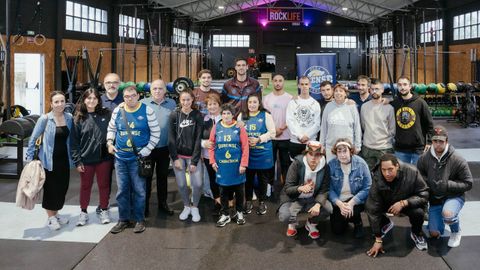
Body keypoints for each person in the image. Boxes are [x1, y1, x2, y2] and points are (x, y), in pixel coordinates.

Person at [106, 85, 160, 234]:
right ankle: (123, 219)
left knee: (139, 190)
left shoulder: (147, 110)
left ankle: (139, 219)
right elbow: (111, 129)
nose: (130, 99)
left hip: (137, 159)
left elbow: (156, 133)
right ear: (123, 98)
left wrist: (146, 150)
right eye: (127, 97)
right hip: (120, 158)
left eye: (133, 96)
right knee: (122, 190)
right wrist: (110, 143)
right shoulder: (118, 110)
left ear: (138, 96)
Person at [417, 125, 473, 248]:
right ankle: (441, 219)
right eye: (435, 141)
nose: (437, 144)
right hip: (435, 199)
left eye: (441, 141)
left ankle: (455, 231)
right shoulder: (424, 158)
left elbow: (468, 183)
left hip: (453, 196)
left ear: (446, 141)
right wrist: (430, 183)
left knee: (448, 214)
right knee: (434, 233)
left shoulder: (458, 159)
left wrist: (447, 184)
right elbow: (419, 177)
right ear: (432, 141)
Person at [26, 91, 74, 231]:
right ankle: (50, 218)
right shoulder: (45, 119)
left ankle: (56, 214)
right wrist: (30, 160)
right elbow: (33, 139)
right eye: (56, 102)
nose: (60, 104)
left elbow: (71, 139)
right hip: (48, 161)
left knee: (62, 188)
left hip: (64, 160)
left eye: (62, 101)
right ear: (51, 104)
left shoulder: (69, 117)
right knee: (51, 190)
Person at [366, 153, 429, 257]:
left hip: (406, 202)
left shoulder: (412, 172)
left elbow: (424, 194)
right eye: (384, 170)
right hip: (387, 202)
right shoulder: (377, 176)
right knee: (370, 206)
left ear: (397, 166)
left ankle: (416, 233)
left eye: (390, 169)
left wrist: (404, 203)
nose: (387, 173)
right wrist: (378, 239)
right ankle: (385, 223)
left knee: (418, 212)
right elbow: (373, 207)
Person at [71, 88, 113, 226]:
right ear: (84, 100)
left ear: (98, 100)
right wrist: (77, 161)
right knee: (85, 186)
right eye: (89, 98)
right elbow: (74, 142)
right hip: (86, 159)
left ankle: (104, 210)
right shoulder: (78, 117)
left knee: (104, 185)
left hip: (104, 158)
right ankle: (83, 213)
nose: (91, 101)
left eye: (95, 98)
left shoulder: (106, 114)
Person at [278, 141, 331, 239]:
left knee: (328, 209)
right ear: (305, 154)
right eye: (310, 154)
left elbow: (324, 189)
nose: (313, 158)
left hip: (312, 198)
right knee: (285, 215)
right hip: (295, 198)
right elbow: (288, 188)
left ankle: (311, 223)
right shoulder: (297, 164)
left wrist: (318, 204)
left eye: (317, 155)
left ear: (321, 156)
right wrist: (300, 188)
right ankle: (292, 223)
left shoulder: (325, 167)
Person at [209, 104, 249, 227]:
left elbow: (245, 147)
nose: (226, 116)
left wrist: (243, 164)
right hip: (222, 167)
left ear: (233, 115)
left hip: (237, 166)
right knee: (223, 191)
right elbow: (211, 145)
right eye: (224, 113)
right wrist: (212, 161)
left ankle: (239, 212)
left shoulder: (239, 127)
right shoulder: (216, 127)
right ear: (221, 115)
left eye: (228, 113)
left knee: (239, 190)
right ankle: (225, 214)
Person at [141, 79, 176, 217]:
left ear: (165, 91)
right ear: (150, 91)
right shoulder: (143, 103)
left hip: (164, 148)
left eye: (160, 88)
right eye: (154, 88)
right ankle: (144, 206)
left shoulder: (172, 104)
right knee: (146, 178)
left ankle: (163, 204)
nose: (157, 91)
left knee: (162, 178)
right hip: (148, 148)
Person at [168, 90, 204, 222]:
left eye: (188, 99)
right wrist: (175, 158)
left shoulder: (197, 115)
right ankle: (186, 206)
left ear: (192, 100)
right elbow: (171, 138)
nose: (186, 102)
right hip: (178, 156)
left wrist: (194, 161)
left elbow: (198, 138)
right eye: (183, 100)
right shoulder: (174, 115)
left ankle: (195, 207)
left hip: (192, 156)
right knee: (182, 185)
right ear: (179, 100)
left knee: (198, 184)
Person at [239, 94, 276, 215]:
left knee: (262, 180)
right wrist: (245, 140)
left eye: (255, 102)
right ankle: (248, 201)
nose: (252, 105)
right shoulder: (242, 116)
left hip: (263, 153)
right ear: (247, 103)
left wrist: (259, 139)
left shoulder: (266, 115)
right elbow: (237, 133)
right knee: (248, 179)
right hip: (248, 154)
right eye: (250, 102)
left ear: (259, 103)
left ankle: (262, 202)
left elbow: (272, 133)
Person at [328, 138, 371, 238]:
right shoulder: (331, 164)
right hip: (338, 200)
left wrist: (351, 203)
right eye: (339, 151)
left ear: (351, 151)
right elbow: (328, 188)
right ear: (336, 153)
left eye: (345, 151)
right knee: (337, 231)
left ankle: (357, 222)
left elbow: (367, 187)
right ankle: (346, 217)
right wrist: (339, 204)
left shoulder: (361, 164)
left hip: (355, 199)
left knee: (353, 211)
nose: (342, 155)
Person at [391, 76, 434, 164]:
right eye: (399, 85)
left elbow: (429, 124)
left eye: (405, 84)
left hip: (418, 148)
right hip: (400, 148)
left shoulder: (420, 102)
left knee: (417, 175)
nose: (402, 87)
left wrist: (429, 142)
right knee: (403, 175)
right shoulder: (395, 103)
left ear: (410, 86)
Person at [263, 74, 293, 185]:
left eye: (280, 80)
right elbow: (265, 116)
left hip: (286, 136)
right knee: (270, 163)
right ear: (272, 82)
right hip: (271, 137)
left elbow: (292, 117)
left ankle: (286, 186)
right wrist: (274, 130)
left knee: (286, 164)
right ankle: (269, 187)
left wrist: (282, 128)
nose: (277, 83)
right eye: (275, 81)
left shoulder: (290, 98)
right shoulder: (266, 98)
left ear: (283, 82)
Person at [320, 84, 361, 162]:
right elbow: (324, 127)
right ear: (333, 93)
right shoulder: (328, 106)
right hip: (331, 147)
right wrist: (322, 145)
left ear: (345, 93)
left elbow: (357, 127)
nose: (338, 93)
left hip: (347, 147)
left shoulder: (351, 106)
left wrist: (357, 146)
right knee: (332, 171)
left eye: (341, 91)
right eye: (336, 91)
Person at [360, 80, 395, 170]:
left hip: (385, 148)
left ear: (382, 90)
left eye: (377, 89)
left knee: (385, 176)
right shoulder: (364, 107)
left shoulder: (389, 108)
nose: (374, 91)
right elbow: (363, 126)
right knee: (368, 176)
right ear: (369, 90)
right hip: (368, 148)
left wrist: (385, 140)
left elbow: (392, 129)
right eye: (372, 89)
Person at [286, 76, 321, 160]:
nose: (304, 86)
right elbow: (290, 121)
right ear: (298, 86)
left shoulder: (315, 103)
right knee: (295, 167)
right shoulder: (292, 103)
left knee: (310, 167)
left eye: (306, 84)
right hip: (295, 141)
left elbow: (317, 123)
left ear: (310, 85)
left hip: (311, 141)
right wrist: (300, 136)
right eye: (302, 84)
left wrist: (307, 136)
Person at [201, 94, 223, 214]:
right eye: (210, 104)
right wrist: (204, 144)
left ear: (219, 105)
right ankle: (217, 202)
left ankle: (227, 202)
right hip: (208, 156)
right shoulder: (203, 120)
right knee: (213, 180)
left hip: (223, 156)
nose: (212, 106)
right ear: (207, 106)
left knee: (223, 179)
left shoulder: (225, 118)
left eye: (215, 104)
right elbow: (197, 138)